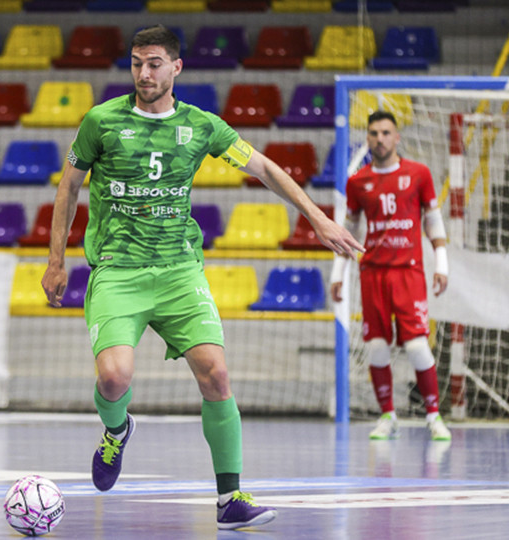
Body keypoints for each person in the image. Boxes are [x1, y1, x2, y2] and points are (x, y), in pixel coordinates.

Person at [41, 25, 363, 531]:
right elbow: (68, 187)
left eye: (153, 64)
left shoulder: (201, 126)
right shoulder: (100, 121)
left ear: (176, 68)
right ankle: (116, 430)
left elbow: (264, 168)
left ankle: (230, 498)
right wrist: (56, 260)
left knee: (215, 373)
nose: (143, 73)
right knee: (113, 377)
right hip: (117, 272)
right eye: (136, 63)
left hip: (178, 271)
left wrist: (318, 218)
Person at [330, 110, 452, 442]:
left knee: (416, 346)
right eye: (373, 133)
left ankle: (433, 416)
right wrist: (338, 273)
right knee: (377, 348)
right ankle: (388, 416)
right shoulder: (358, 182)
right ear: (367, 138)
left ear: (397, 137)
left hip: (408, 273)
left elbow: (433, 219)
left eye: (385, 133)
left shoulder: (419, 174)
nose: (379, 139)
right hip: (372, 274)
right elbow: (349, 231)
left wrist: (441, 262)